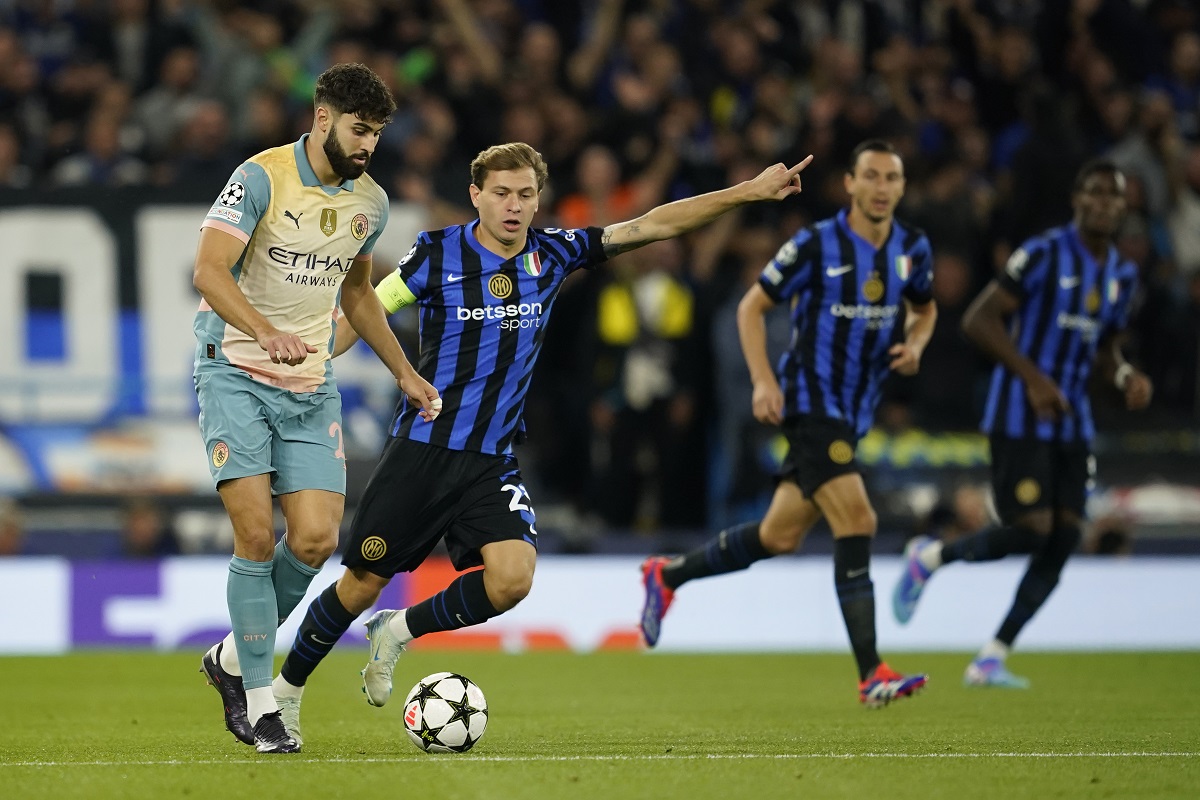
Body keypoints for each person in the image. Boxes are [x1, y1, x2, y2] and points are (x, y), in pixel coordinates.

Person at [269, 141, 813, 744]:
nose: (513, 205)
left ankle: (397, 631)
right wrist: (309, 364)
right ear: (476, 195)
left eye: (525, 194)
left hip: (491, 461)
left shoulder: (554, 253)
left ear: (538, 200)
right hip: (424, 449)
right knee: (358, 586)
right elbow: (367, 309)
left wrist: (748, 192)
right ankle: (284, 695)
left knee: (511, 579)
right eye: (501, 193)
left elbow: (655, 224)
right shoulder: (437, 253)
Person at [190, 63, 439, 754]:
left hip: (308, 384)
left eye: (378, 135)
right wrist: (263, 330)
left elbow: (358, 293)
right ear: (324, 118)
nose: (368, 146)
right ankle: (262, 703)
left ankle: (230, 661)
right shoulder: (261, 176)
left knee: (316, 541)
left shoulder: (371, 203)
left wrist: (404, 371)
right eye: (360, 130)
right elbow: (209, 270)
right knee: (255, 535)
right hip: (234, 370)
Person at [638, 140, 937, 708]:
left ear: (901, 187)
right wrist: (763, 380)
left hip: (855, 413)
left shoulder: (912, 249)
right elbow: (750, 308)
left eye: (891, 178)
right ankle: (871, 672)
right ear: (849, 184)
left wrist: (918, 342)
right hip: (810, 403)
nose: (880, 187)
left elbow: (925, 308)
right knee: (859, 519)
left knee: (778, 536)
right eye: (869, 175)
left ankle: (667, 576)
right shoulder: (816, 244)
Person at [892, 159, 1152, 688]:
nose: (1104, 202)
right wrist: (1032, 378)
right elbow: (977, 319)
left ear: (1124, 207)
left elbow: (1106, 348)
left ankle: (992, 655)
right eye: (1095, 192)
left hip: (1072, 421)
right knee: (1032, 529)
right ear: (1077, 199)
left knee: (1066, 536)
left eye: (1114, 195)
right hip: (1018, 413)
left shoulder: (1122, 275)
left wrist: (1124, 374)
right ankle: (931, 556)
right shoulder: (1044, 254)